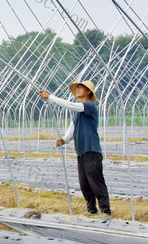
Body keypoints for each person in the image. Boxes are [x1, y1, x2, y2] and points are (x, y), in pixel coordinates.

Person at [39, 80, 110, 216]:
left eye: (81, 88)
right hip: (82, 152)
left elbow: (71, 105)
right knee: (84, 184)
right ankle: (92, 211)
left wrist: (50, 97)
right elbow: (71, 130)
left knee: (96, 182)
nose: (77, 90)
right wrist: (64, 140)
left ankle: (106, 212)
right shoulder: (77, 113)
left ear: (88, 91)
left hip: (91, 150)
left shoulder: (89, 106)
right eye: (76, 88)